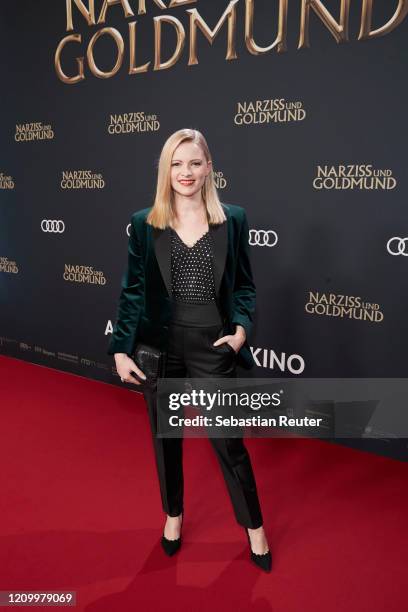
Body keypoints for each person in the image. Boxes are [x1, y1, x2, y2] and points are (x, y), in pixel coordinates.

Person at [107, 128, 271, 572]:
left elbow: (245, 286)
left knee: (228, 443)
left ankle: (254, 527)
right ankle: (173, 516)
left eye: (194, 163)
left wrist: (239, 331)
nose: (185, 172)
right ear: (166, 170)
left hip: (213, 346)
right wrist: (122, 349)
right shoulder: (146, 223)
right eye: (177, 164)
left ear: (209, 168)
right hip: (160, 347)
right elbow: (133, 292)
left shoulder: (231, 219)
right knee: (167, 441)